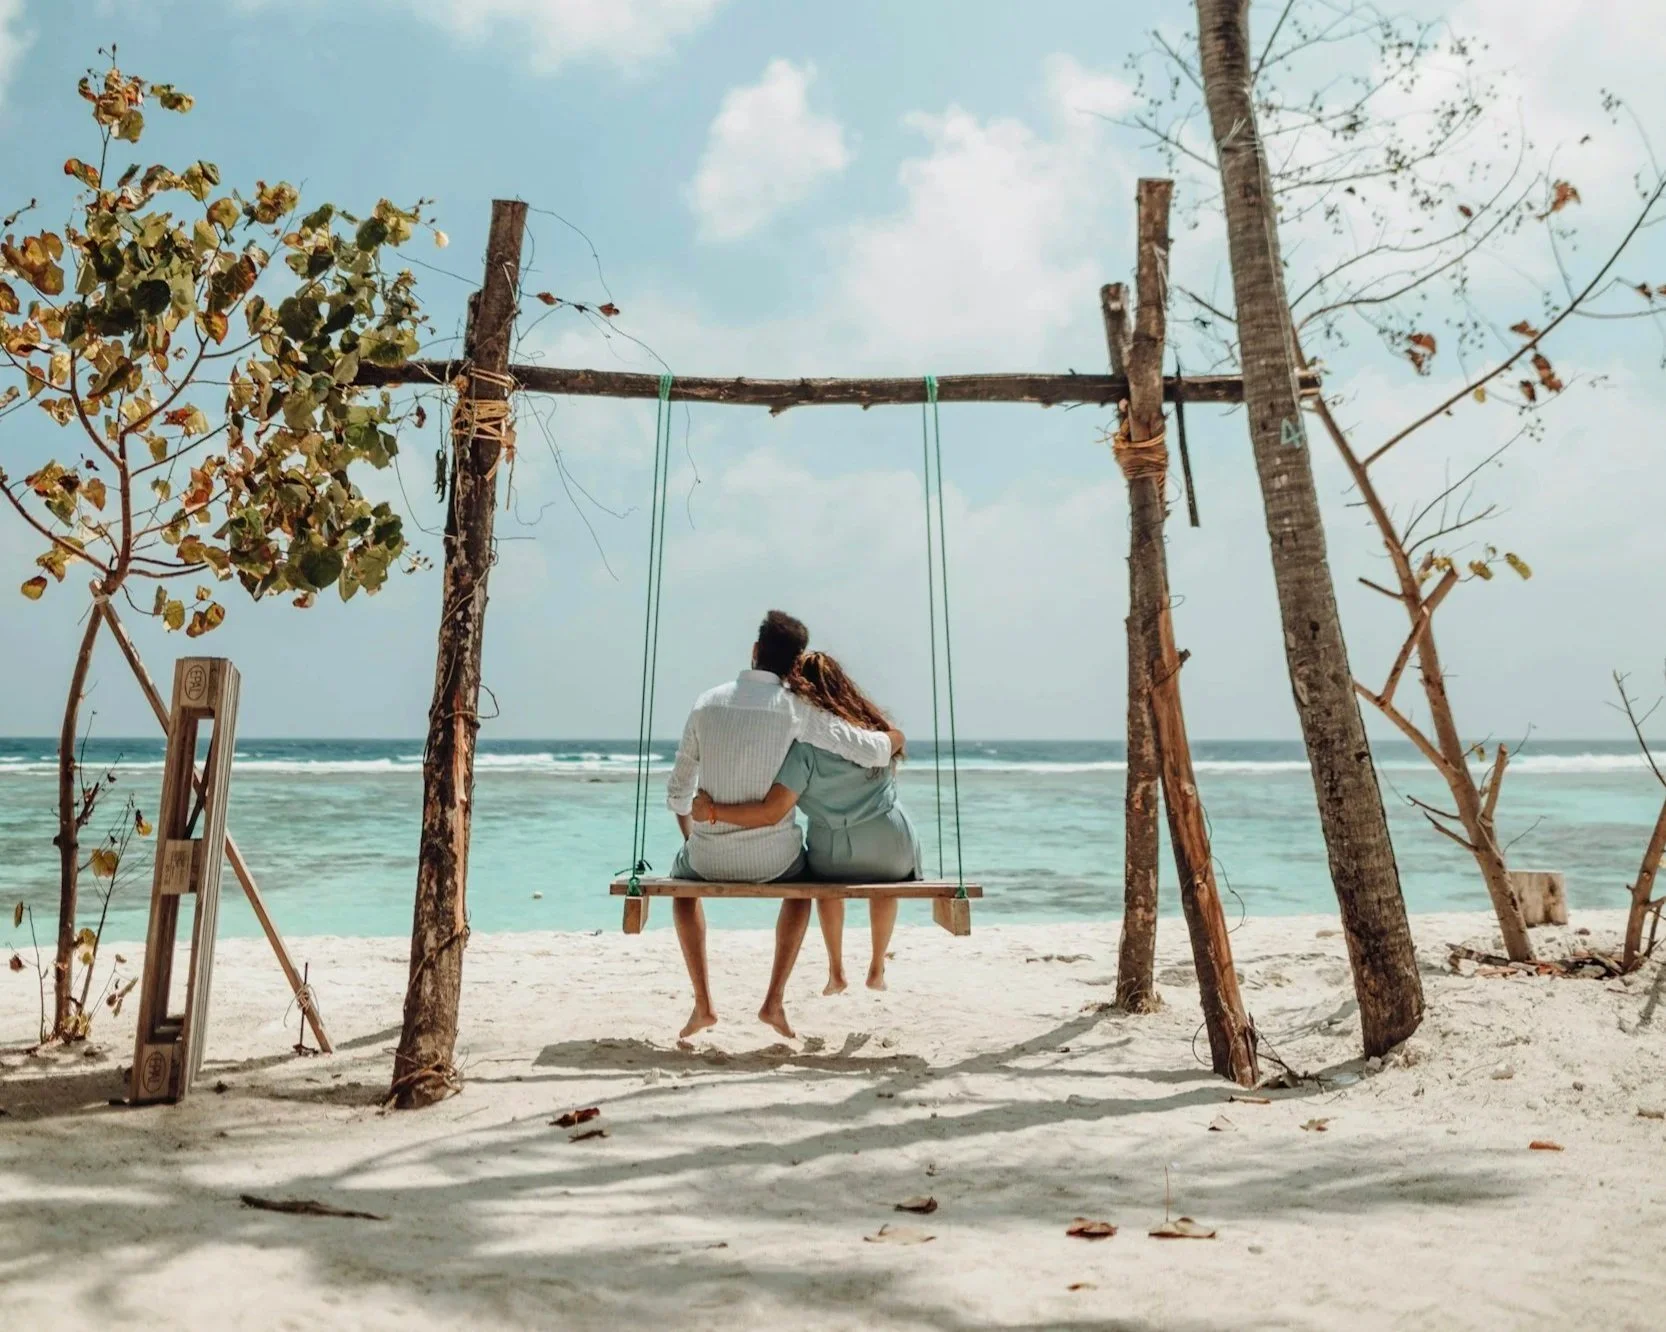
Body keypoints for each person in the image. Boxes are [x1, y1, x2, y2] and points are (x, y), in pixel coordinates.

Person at [664, 612, 903, 1041]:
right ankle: (773, 1002)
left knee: (683, 892)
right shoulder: (799, 709)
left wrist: (697, 836)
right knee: (801, 893)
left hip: (706, 856)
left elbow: (678, 791)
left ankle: (703, 1004)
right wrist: (893, 739)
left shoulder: (706, 702)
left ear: (754, 653)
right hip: (776, 860)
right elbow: (871, 752)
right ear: (795, 667)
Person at [690, 650, 919, 1000]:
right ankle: (875, 967)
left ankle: (837, 969)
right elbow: (893, 739)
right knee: (886, 886)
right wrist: (894, 735)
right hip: (893, 846)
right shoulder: (871, 736)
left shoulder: (802, 748)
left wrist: (712, 811)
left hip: (834, 854)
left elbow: (772, 810)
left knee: (823, 881)